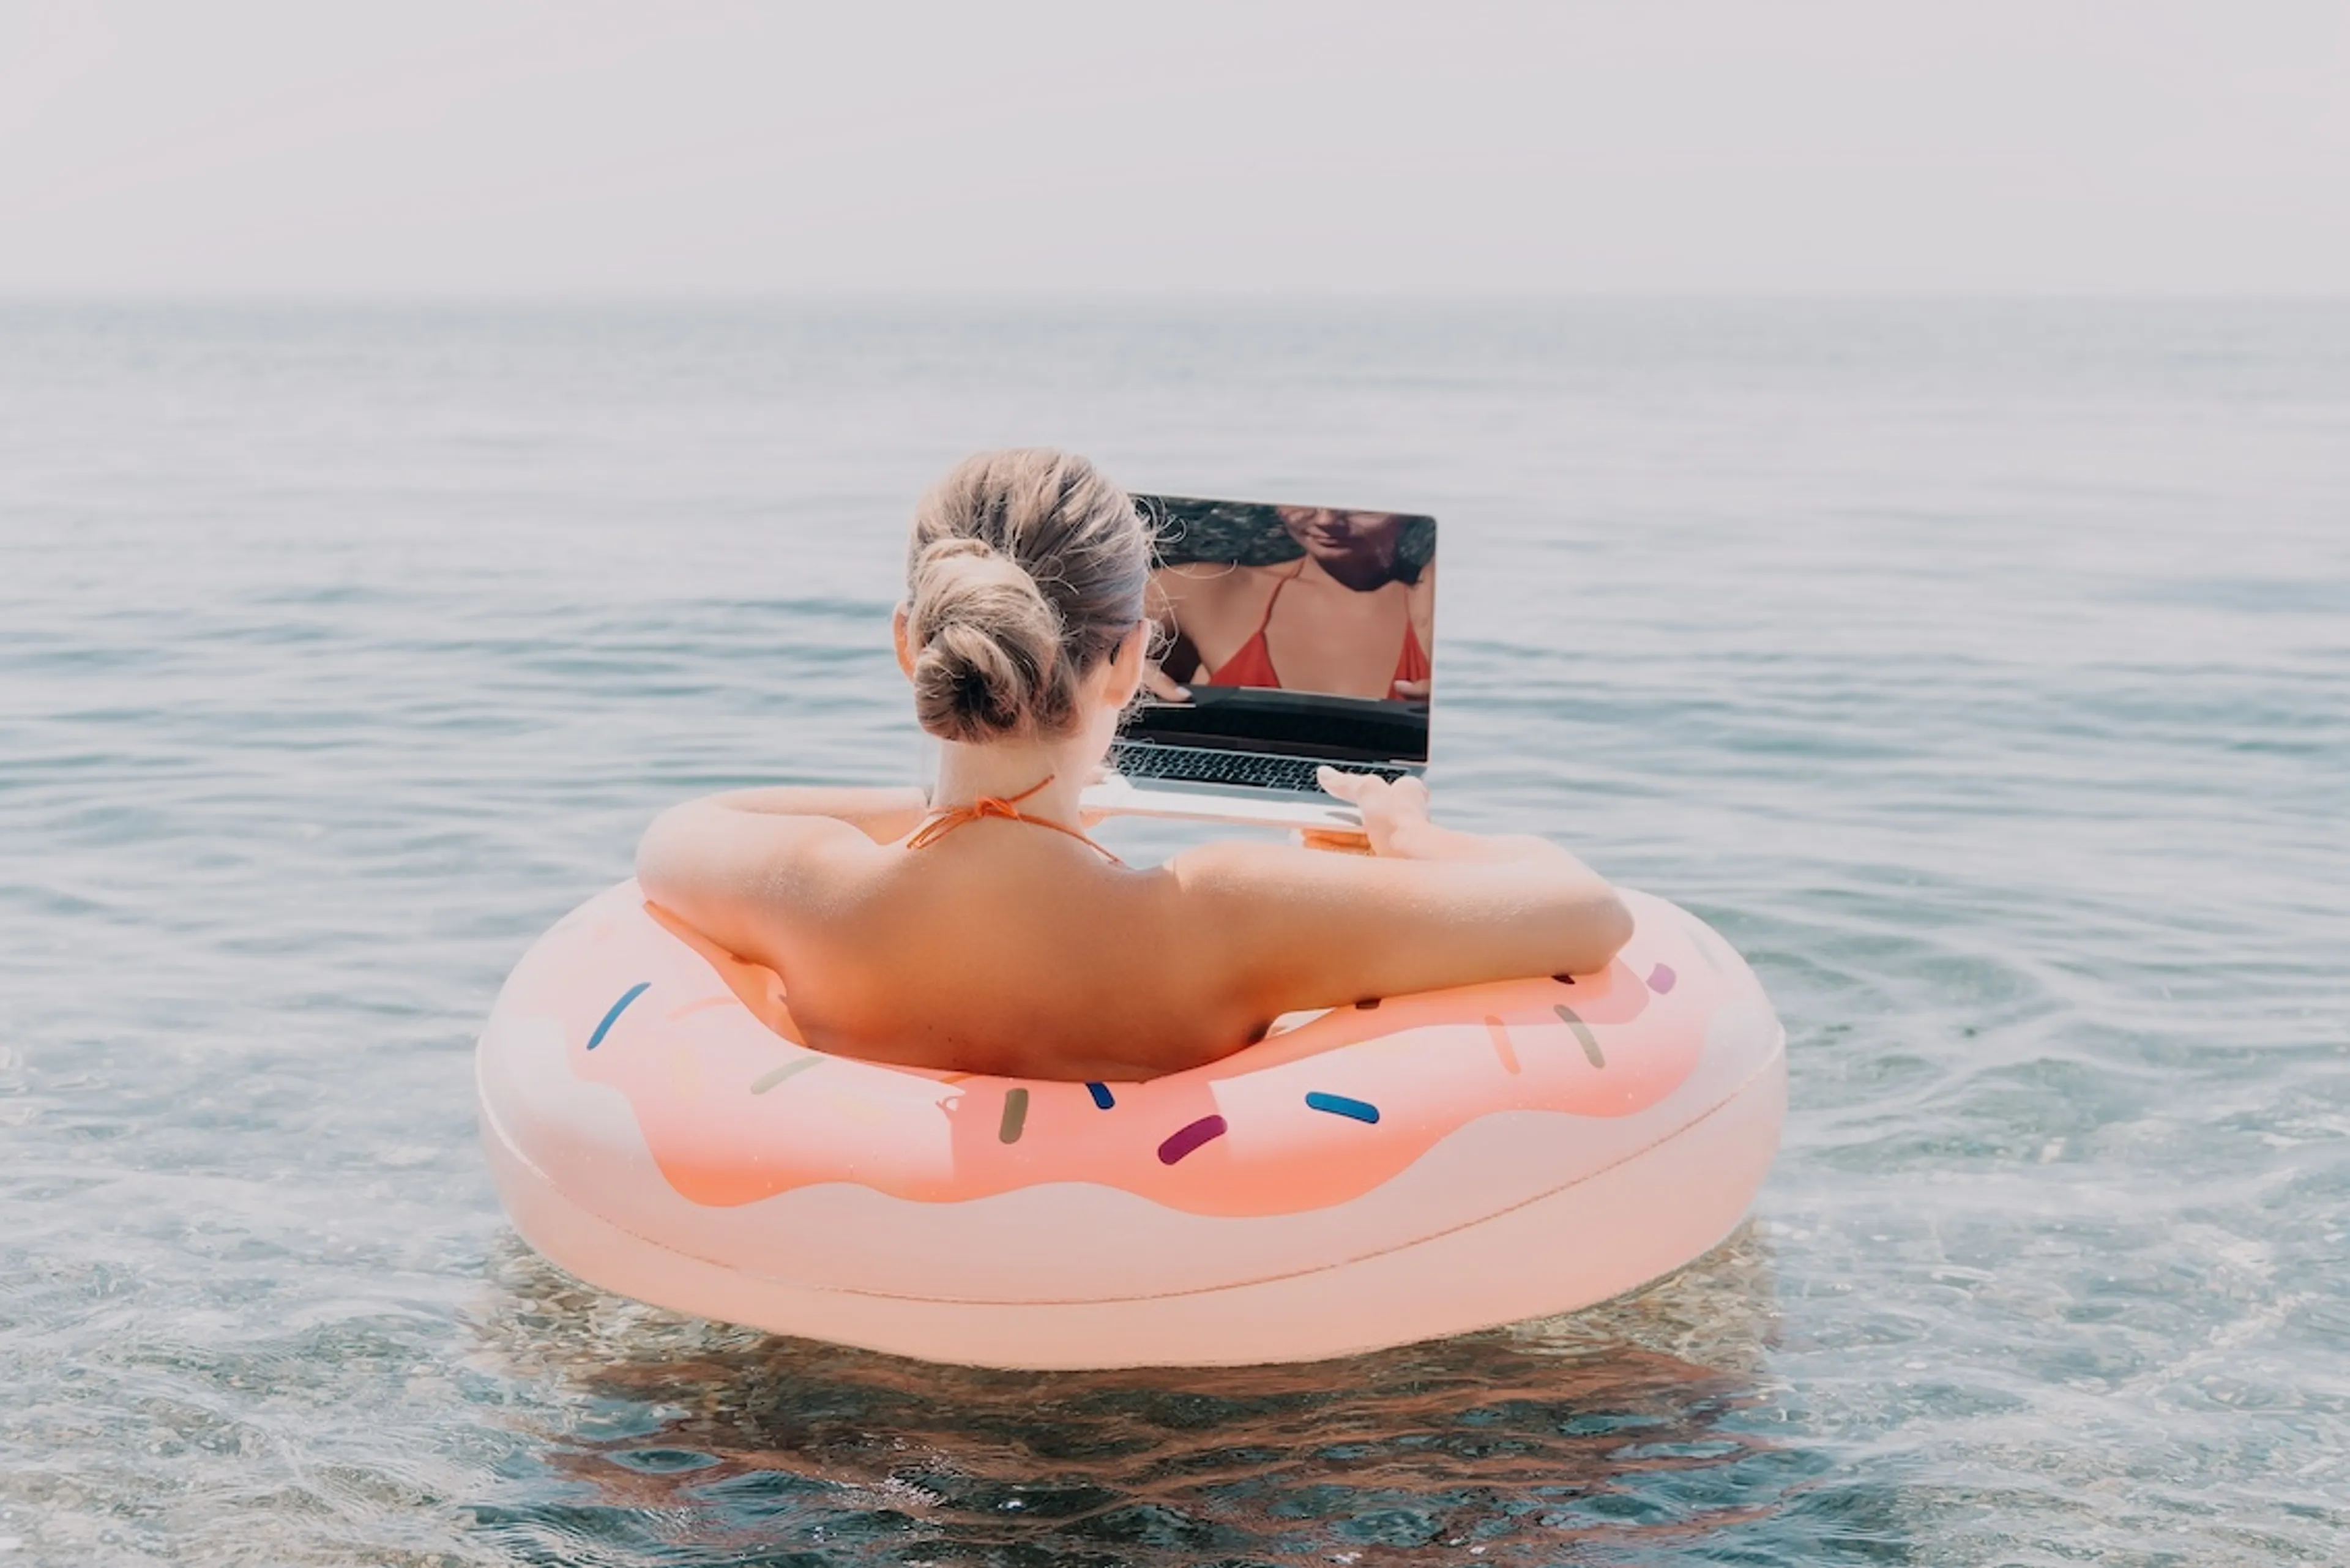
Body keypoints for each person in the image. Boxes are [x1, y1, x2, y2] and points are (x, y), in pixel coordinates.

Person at [635, 450, 1630, 1082]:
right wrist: (1412, 839)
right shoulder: (1229, 911)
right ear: (1127, 660)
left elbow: (681, 827)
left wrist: (950, 809)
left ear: (914, 644)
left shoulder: (809, 890)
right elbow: (1590, 913)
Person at [1146, 504, 1435, 702]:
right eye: (1306, 497)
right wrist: (1106, 670)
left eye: (1359, 503)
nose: (1326, 520)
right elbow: (1104, 637)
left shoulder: (1433, 599)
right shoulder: (1204, 591)